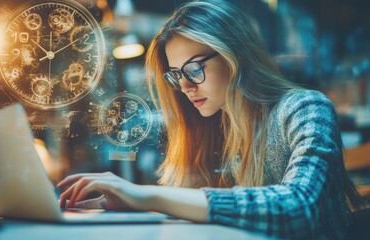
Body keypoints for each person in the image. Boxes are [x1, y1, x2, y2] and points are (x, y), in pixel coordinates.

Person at [57, 0, 364, 238]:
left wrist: (144, 195)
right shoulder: (219, 125)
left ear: (235, 55)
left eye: (194, 69)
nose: (186, 87)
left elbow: (297, 209)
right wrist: (136, 204)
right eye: (177, 75)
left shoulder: (307, 108)